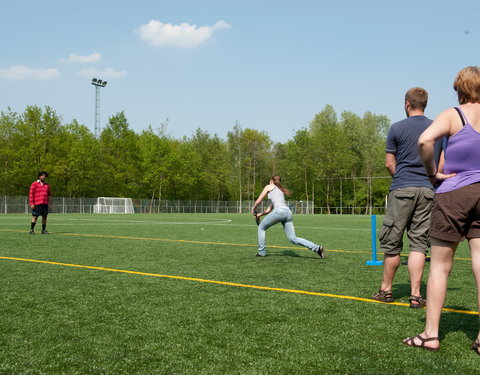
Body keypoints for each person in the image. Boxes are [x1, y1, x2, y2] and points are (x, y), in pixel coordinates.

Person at [403, 66, 480, 353]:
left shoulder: (453, 114)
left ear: (459, 87)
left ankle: (430, 335)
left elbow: (425, 140)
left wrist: (432, 172)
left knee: (439, 265)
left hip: (455, 192)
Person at [372, 87, 436, 308]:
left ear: (407, 103)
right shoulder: (437, 128)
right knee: (419, 244)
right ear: (425, 104)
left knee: (392, 242)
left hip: (402, 189)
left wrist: (401, 177)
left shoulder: (396, 128)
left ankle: (386, 290)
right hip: (428, 190)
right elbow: (441, 164)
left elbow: (390, 163)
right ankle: (416, 295)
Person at [251, 175, 324, 258]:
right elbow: (269, 210)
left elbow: (259, 200)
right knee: (293, 238)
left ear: (271, 180)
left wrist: (253, 208)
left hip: (279, 212)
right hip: (287, 213)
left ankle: (261, 252)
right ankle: (317, 248)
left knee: (261, 228)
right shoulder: (280, 191)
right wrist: (260, 214)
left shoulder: (269, 186)